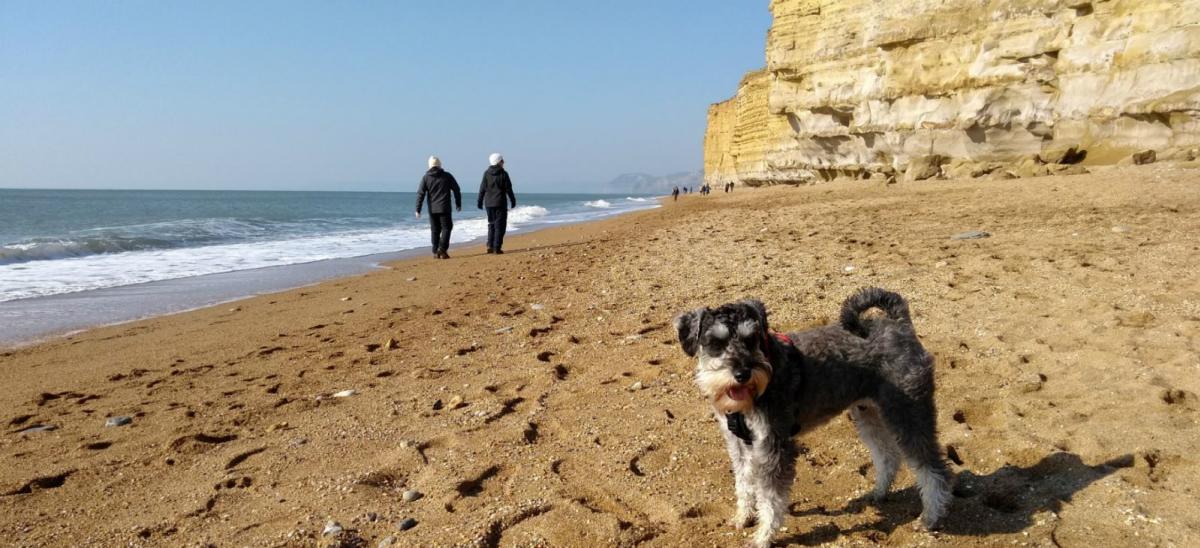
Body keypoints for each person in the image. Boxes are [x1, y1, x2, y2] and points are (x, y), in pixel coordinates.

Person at [415, 155, 462, 259]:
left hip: (432, 209)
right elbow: (456, 189)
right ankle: (442, 249)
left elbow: (420, 194)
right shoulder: (447, 176)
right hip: (444, 207)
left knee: (435, 230)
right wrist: (458, 203)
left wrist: (418, 209)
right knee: (447, 228)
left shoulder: (426, 178)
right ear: (439, 165)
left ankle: (436, 251)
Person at [477, 153, 517, 254]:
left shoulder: (486, 173)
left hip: (489, 204)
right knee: (500, 226)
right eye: (502, 161)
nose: (503, 163)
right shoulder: (503, 174)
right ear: (499, 162)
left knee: (491, 224)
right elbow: (509, 189)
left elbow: (482, 188)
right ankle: (496, 248)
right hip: (500, 203)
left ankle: (490, 245)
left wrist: (479, 201)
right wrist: (513, 200)